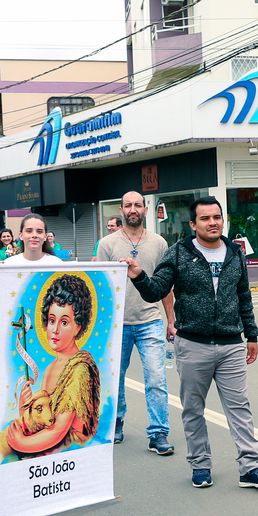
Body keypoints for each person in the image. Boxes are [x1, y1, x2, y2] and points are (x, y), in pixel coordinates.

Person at [122, 196, 258, 490]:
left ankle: (250, 467)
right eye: (205, 218)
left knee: (240, 408)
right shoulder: (179, 253)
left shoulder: (235, 253)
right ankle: (200, 465)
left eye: (216, 217)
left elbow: (244, 296)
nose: (212, 223)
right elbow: (156, 290)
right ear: (193, 225)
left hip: (231, 344)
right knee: (193, 409)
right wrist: (139, 276)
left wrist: (252, 335)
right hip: (193, 344)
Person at [96, 193, 175, 454]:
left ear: (145, 209)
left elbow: (165, 285)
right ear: (121, 210)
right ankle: (116, 422)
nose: (133, 209)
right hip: (116, 324)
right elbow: (100, 286)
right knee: (114, 378)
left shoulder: (159, 243)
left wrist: (171, 320)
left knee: (156, 378)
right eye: (128, 205)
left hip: (150, 320)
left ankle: (158, 433)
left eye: (137, 205)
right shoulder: (107, 244)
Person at [0, 274, 101, 459]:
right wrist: (26, 408)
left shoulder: (79, 369)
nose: (55, 330)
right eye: (52, 320)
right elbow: (46, 419)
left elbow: (58, 430)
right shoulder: (52, 367)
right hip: (50, 443)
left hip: (68, 448)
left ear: (78, 326)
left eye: (64, 322)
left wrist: (21, 443)